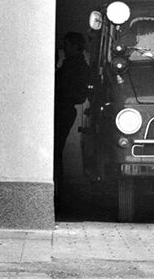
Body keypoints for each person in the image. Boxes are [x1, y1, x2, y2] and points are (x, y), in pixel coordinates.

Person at [54, 31, 90, 208]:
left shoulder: (74, 67)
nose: (65, 49)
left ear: (76, 47)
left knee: (55, 151)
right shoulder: (75, 65)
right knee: (56, 151)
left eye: (67, 45)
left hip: (63, 109)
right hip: (66, 110)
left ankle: (57, 191)